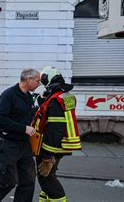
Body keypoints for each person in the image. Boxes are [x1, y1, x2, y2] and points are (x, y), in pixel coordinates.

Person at [0, 68, 40, 202]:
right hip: (8, 142)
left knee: (28, 180)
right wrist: (23, 128)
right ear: (28, 80)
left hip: (24, 143)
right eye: (37, 80)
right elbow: (0, 119)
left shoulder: (28, 96)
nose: (39, 83)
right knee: (8, 180)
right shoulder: (8, 95)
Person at [33, 66, 81, 202]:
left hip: (53, 146)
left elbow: (55, 129)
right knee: (47, 176)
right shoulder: (60, 96)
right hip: (61, 144)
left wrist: (47, 156)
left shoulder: (55, 101)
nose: (42, 84)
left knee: (46, 177)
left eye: (43, 80)